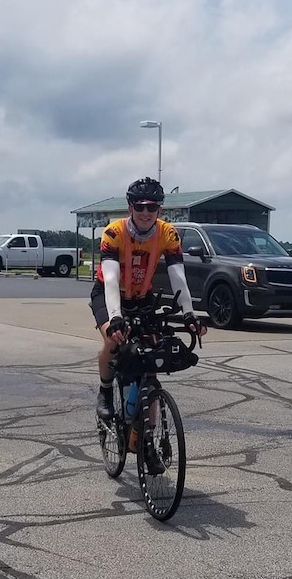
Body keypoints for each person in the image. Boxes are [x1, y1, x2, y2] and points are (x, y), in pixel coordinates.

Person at [90, 177, 207, 425]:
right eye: (140, 206)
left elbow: (178, 277)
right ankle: (105, 392)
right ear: (130, 207)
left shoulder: (168, 234)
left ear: (159, 210)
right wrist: (115, 318)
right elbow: (110, 278)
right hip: (109, 295)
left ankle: (149, 435)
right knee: (113, 340)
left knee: (151, 358)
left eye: (151, 207)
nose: (145, 212)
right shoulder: (113, 233)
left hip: (143, 297)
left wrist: (189, 313)